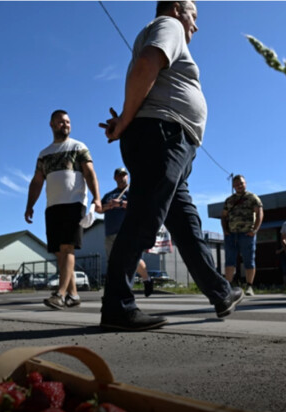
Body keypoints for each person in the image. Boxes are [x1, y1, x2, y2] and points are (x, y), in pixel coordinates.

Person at [99, 1, 243, 331]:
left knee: (185, 224)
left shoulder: (169, 29)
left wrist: (126, 119)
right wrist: (125, 120)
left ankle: (220, 291)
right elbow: (146, 65)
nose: (196, 25)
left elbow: (146, 70)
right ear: (178, 9)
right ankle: (117, 306)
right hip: (163, 135)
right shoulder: (170, 25)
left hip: (170, 140)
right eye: (194, 15)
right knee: (145, 216)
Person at [26, 110, 102, 309]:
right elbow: (37, 181)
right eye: (61, 122)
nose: (65, 125)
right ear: (51, 124)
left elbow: (89, 173)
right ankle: (74, 295)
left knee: (67, 247)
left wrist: (97, 198)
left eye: (68, 122)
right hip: (52, 206)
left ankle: (59, 294)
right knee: (59, 253)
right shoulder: (44, 153)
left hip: (74, 203)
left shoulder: (78, 147)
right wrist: (29, 205)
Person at [101, 167, 154, 297]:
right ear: (115, 178)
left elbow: (140, 206)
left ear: (127, 177)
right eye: (119, 175)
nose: (122, 177)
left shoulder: (132, 192)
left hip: (127, 231)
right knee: (112, 261)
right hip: (110, 232)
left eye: (124, 175)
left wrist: (121, 204)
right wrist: (109, 205)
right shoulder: (109, 195)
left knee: (131, 259)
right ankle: (115, 289)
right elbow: (100, 208)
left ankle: (146, 279)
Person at [221, 174, 263, 296]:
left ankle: (249, 286)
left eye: (242, 183)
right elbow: (223, 216)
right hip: (231, 234)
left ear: (245, 183)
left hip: (247, 233)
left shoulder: (252, 198)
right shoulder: (229, 200)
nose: (240, 186)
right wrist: (225, 230)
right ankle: (228, 286)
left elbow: (260, 214)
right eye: (237, 184)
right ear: (233, 186)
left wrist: (255, 230)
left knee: (249, 260)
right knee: (229, 260)